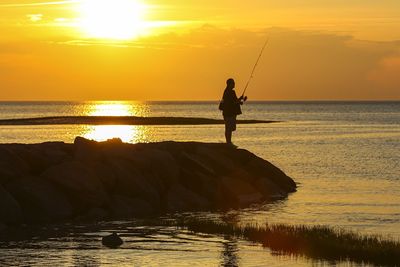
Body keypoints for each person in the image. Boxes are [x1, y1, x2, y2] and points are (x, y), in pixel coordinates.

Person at [220, 78, 247, 145]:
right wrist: (240, 100)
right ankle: (228, 142)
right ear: (229, 84)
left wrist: (241, 100)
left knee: (229, 128)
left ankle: (228, 142)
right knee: (229, 128)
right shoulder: (230, 92)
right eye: (233, 83)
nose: (234, 84)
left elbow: (234, 101)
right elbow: (233, 102)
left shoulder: (228, 91)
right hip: (229, 112)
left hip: (229, 112)